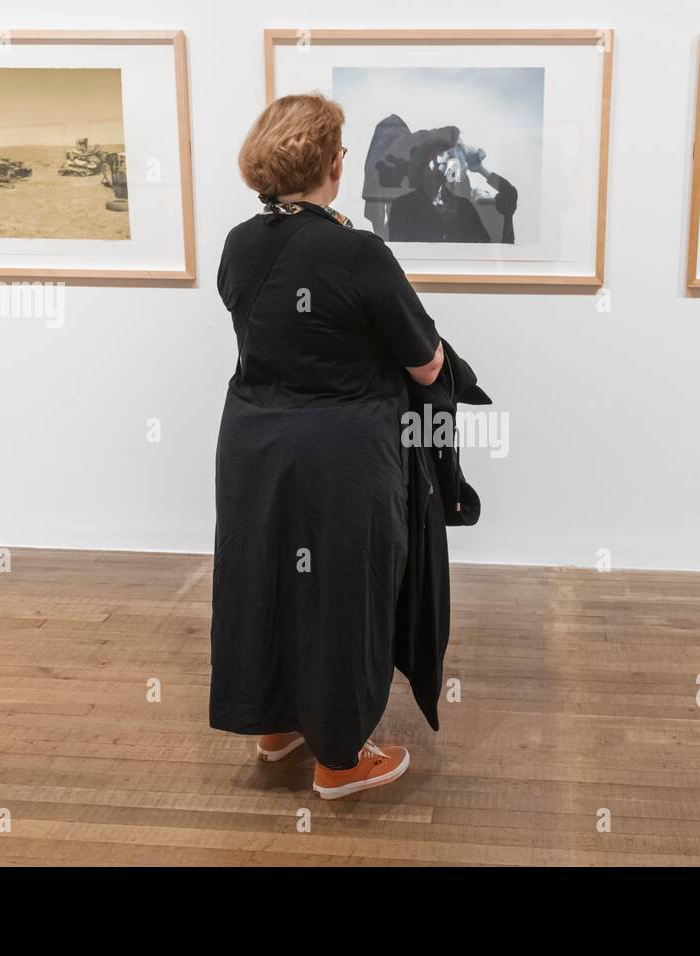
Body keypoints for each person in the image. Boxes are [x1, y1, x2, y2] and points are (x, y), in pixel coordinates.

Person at [211, 93, 444, 800]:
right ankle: (341, 759)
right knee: (346, 594)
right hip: (342, 454)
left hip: (253, 443)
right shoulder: (357, 250)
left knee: (265, 580)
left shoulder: (239, 242)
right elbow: (426, 362)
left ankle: (276, 726)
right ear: (332, 163)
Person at [388, 138, 490, 243]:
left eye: (444, 163)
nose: (438, 169)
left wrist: (481, 169)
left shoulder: (464, 207)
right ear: (420, 168)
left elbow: (483, 246)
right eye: (432, 164)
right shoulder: (403, 206)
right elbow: (400, 250)